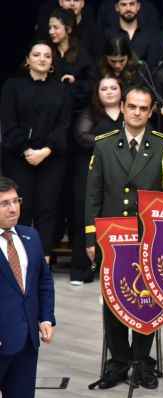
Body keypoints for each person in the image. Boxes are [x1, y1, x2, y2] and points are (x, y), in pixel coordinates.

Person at [85, 85, 163, 389]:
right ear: (123, 107)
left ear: (151, 111)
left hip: (148, 236)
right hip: (111, 236)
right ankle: (119, 361)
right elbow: (93, 193)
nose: (138, 112)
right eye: (133, 107)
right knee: (113, 300)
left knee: (147, 298)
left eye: (144, 108)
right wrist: (91, 236)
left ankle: (142, 361)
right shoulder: (103, 144)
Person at [1, 41, 72, 259]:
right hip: (18, 157)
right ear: (28, 59)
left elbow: (64, 124)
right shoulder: (12, 86)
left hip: (51, 158)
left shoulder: (61, 89)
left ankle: (44, 260)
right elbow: (8, 122)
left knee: (47, 210)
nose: (42, 59)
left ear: (52, 62)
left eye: (47, 56)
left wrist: (45, 150)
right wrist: (26, 150)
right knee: (20, 209)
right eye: (37, 54)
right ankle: (18, 259)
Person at [0, 176, 56, 398]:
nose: (13, 209)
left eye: (15, 201)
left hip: (26, 344)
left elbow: (43, 280)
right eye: (4, 204)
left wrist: (46, 317)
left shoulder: (30, 236)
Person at [71, 76, 124, 285]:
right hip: (90, 171)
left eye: (114, 88)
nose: (109, 91)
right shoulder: (90, 113)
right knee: (85, 216)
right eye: (104, 88)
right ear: (97, 92)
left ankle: (114, 266)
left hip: (120, 173)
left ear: (122, 91)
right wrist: (113, 141)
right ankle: (81, 268)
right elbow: (82, 137)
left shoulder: (129, 112)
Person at [48, 7, 96, 112]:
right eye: (50, 27)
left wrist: (75, 82)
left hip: (76, 108)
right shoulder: (46, 52)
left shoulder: (81, 53)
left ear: (68, 29)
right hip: (51, 106)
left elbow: (91, 83)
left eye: (55, 27)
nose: (51, 31)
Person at [103, 0, 162, 68]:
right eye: (123, 5)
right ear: (117, 7)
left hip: (144, 77)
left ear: (138, 6)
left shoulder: (151, 34)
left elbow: (153, 65)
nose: (128, 8)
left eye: (132, 4)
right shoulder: (108, 35)